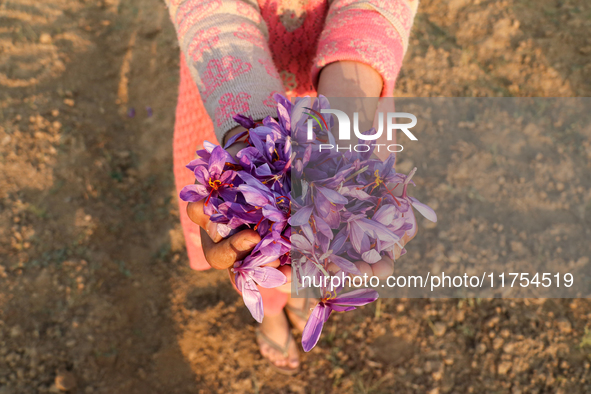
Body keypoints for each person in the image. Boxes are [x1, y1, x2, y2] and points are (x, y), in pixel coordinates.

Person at [165, 0, 418, 373]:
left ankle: (306, 296)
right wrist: (251, 135)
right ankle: (269, 310)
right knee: (254, 242)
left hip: (341, 104)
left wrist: (349, 96)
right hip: (233, 90)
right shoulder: (246, 143)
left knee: (311, 253)